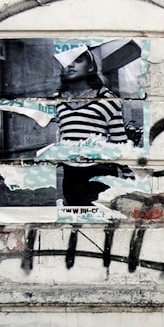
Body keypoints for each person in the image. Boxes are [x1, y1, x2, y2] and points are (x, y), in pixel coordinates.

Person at [53, 45, 129, 207]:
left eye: (78, 60)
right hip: (71, 175)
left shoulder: (107, 98)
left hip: (100, 173)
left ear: (90, 66)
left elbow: (119, 141)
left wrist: (131, 177)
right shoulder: (57, 100)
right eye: (67, 62)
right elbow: (63, 134)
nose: (71, 65)